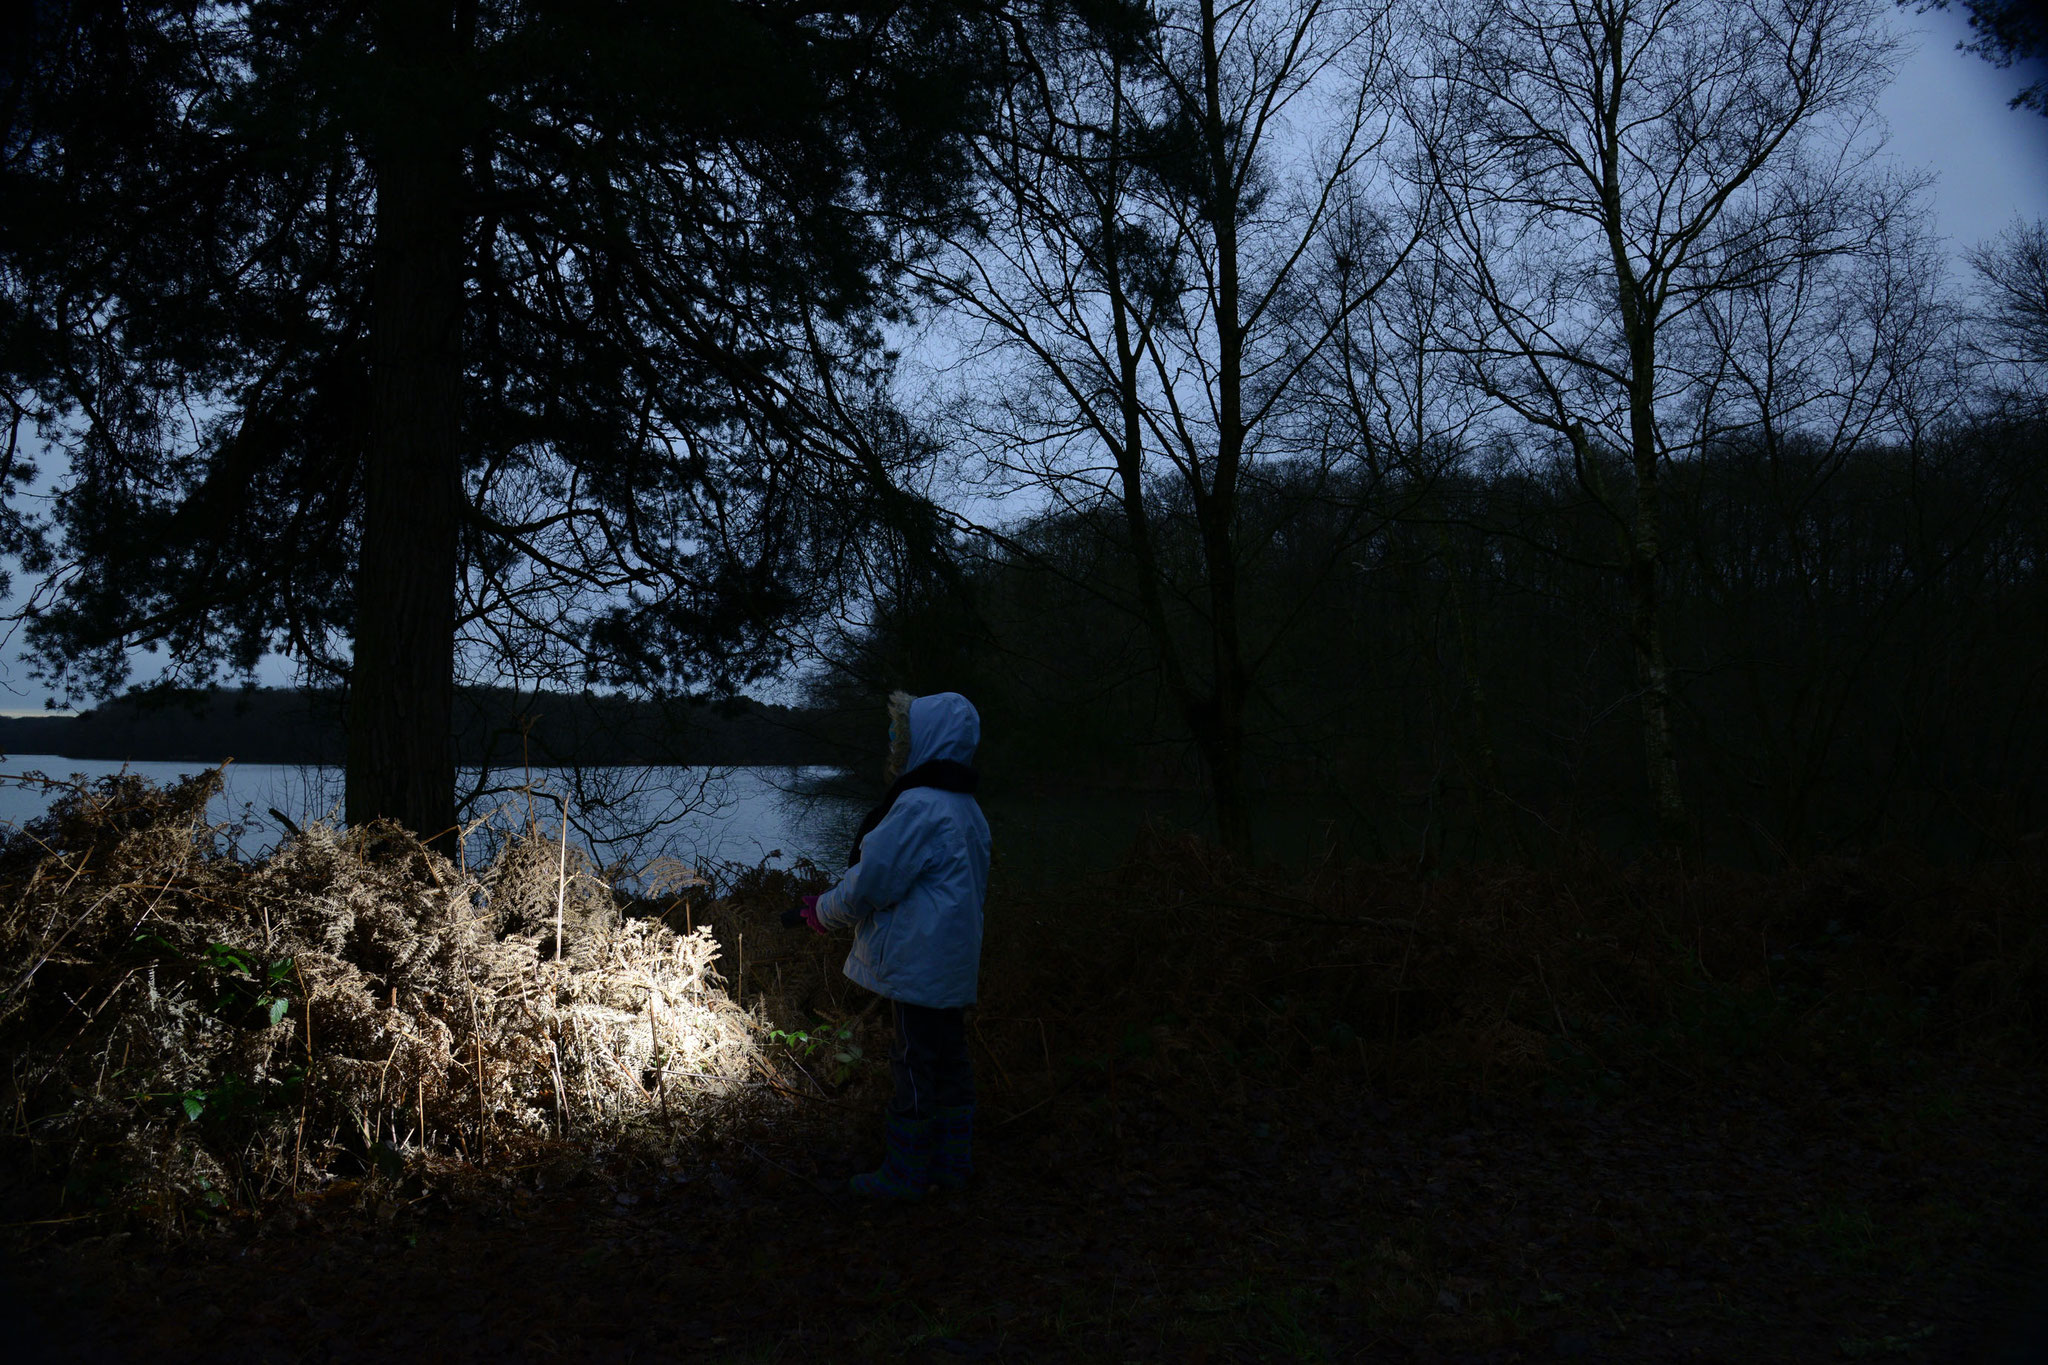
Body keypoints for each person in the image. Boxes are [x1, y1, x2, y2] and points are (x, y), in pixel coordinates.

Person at [796, 690, 990, 1200]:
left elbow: (871, 883)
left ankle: (906, 1173)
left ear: (922, 739)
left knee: (913, 1061)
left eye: (898, 732)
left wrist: (820, 912)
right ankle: (953, 1163)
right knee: (949, 1060)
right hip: (951, 963)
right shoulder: (966, 807)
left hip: (917, 963)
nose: (893, 740)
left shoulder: (919, 806)